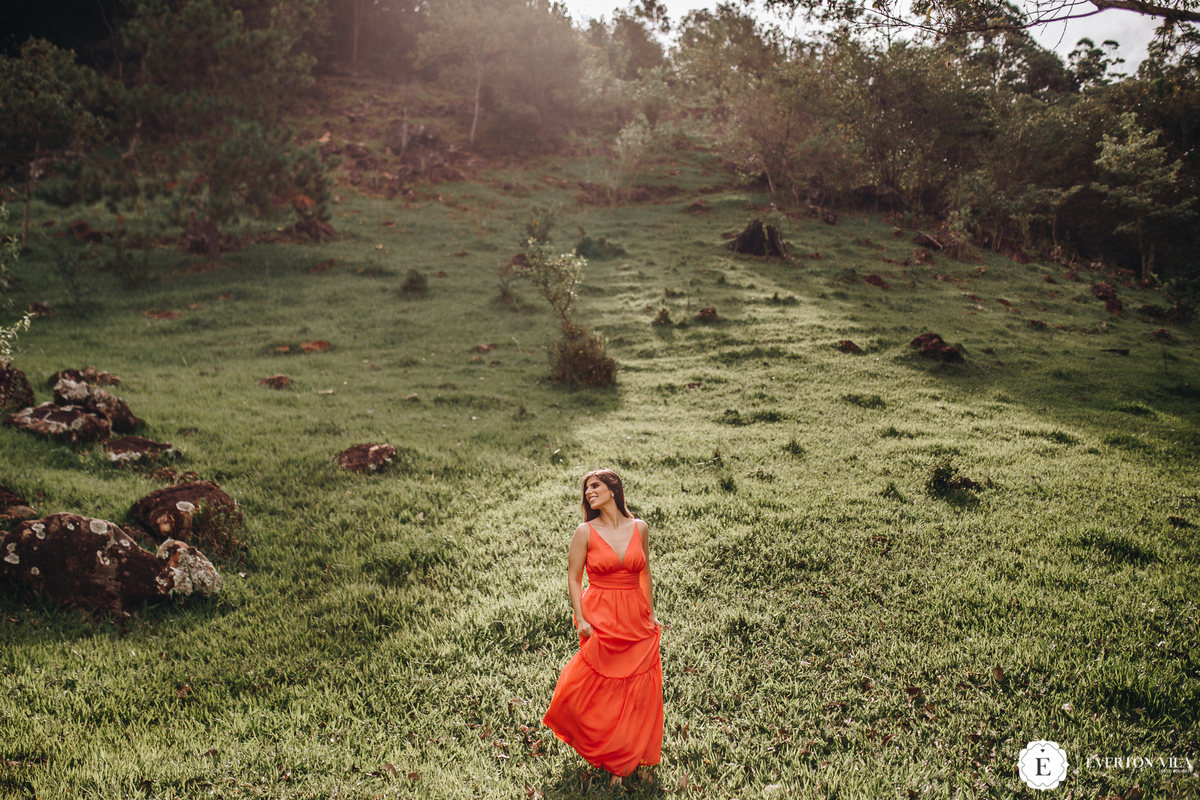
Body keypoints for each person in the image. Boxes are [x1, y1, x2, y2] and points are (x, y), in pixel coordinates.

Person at [542, 468, 663, 784]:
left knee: (637, 690)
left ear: (613, 488)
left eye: (595, 486)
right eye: (586, 489)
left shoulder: (640, 527)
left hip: (635, 616)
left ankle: (624, 760)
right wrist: (580, 616)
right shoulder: (585, 531)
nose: (589, 492)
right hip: (601, 615)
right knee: (597, 687)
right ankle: (600, 746)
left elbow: (645, 573)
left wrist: (650, 613)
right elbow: (573, 576)